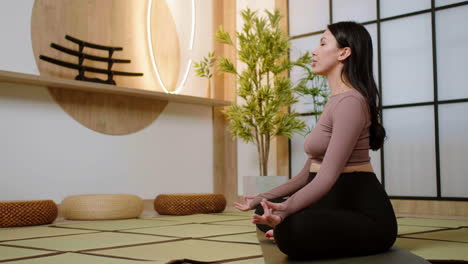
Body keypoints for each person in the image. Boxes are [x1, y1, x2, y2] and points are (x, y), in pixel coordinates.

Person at [234, 21, 397, 260]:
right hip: (332, 203)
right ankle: (286, 226)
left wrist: (286, 211)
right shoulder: (336, 101)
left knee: (292, 227)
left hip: (364, 215)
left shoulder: (351, 103)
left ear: (344, 52)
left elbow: (328, 176)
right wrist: (263, 197)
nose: (314, 51)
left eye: (323, 43)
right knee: (265, 209)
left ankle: (286, 228)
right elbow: (305, 175)